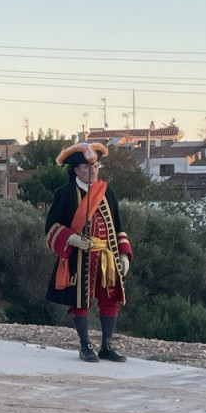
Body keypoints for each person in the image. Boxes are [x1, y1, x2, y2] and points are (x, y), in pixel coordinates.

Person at [46, 142, 132, 363]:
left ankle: (107, 345)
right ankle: (85, 346)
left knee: (110, 298)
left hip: (107, 256)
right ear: (76, 170)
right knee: (81, 301)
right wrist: (71, 238)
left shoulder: (107, 191)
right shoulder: (64, 194)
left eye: (95, 166)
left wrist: (123, 254)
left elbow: (118, 225)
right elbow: (51, 228)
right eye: (86, 167)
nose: (92, 170)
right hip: (79, 257)